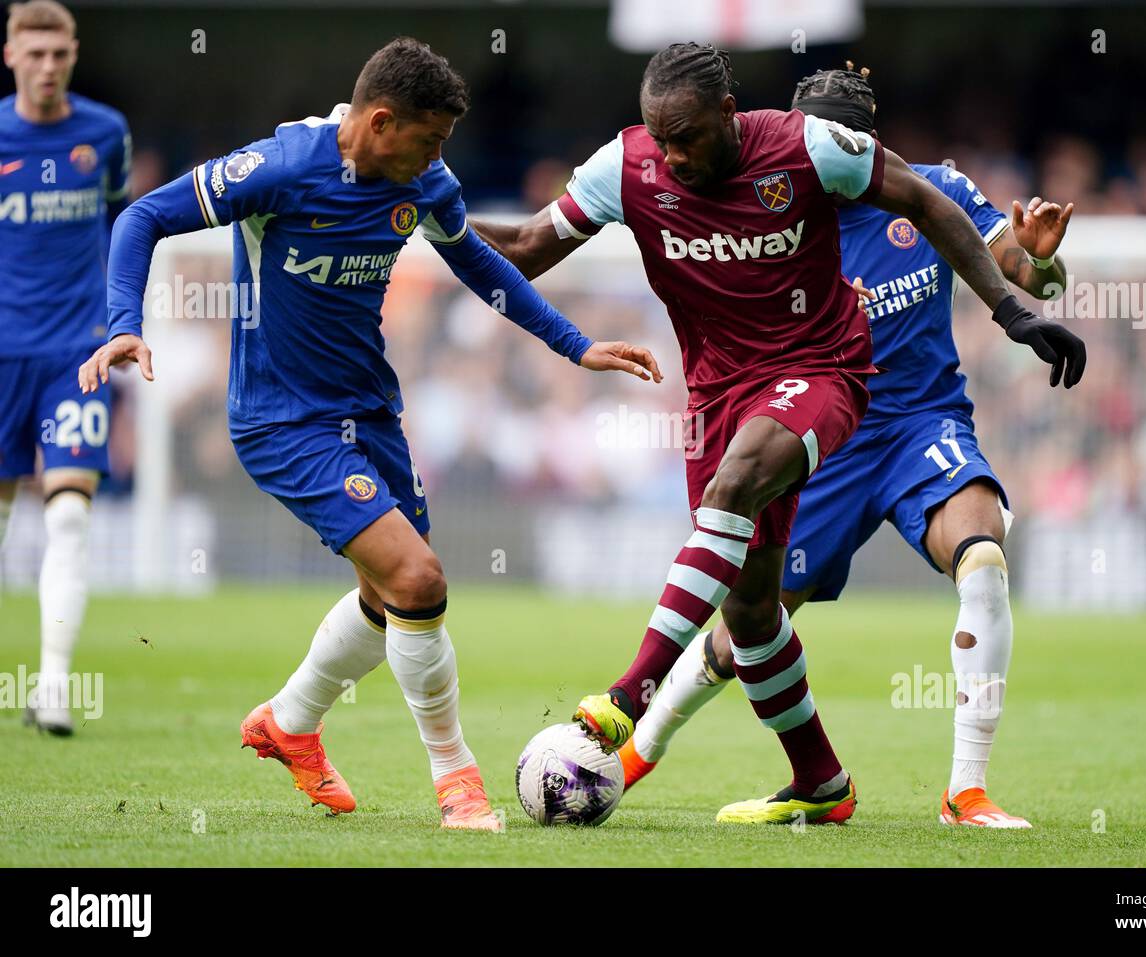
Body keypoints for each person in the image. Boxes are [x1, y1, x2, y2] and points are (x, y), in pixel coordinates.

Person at [472, 43, 1084, 824]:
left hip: (892, 414)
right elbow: (528, 246)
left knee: (983, 555)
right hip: (752, 410)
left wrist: (1034, 286)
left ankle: (963, 787)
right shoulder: (665, 173)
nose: (673, 154)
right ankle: (807, 779)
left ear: (863, 150)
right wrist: (425, 223)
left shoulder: (912, 189)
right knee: (750, 621)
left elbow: (1020, 270)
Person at [78, 37, 661, 831]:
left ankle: (288, 722)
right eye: (429, 139)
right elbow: (143, 216)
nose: (438, 158)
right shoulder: (282, 168)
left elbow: (483, 268)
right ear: (380, 122)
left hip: (371, 414)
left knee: (389, 600)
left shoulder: (426, 183)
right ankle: (458, 780)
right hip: (282, 420)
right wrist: (123, 324)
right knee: (419, 580)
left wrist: (575, 345)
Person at [0, 0, 131, 736]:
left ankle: (53, 687)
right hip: (1, 351)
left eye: (60, 54)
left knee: (71, 514)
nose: (48, 67)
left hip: (72, 355)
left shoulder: (104, 132)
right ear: (11, 54)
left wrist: (115, 321)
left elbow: (122, 221)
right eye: (34, 53)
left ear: (74, 54)